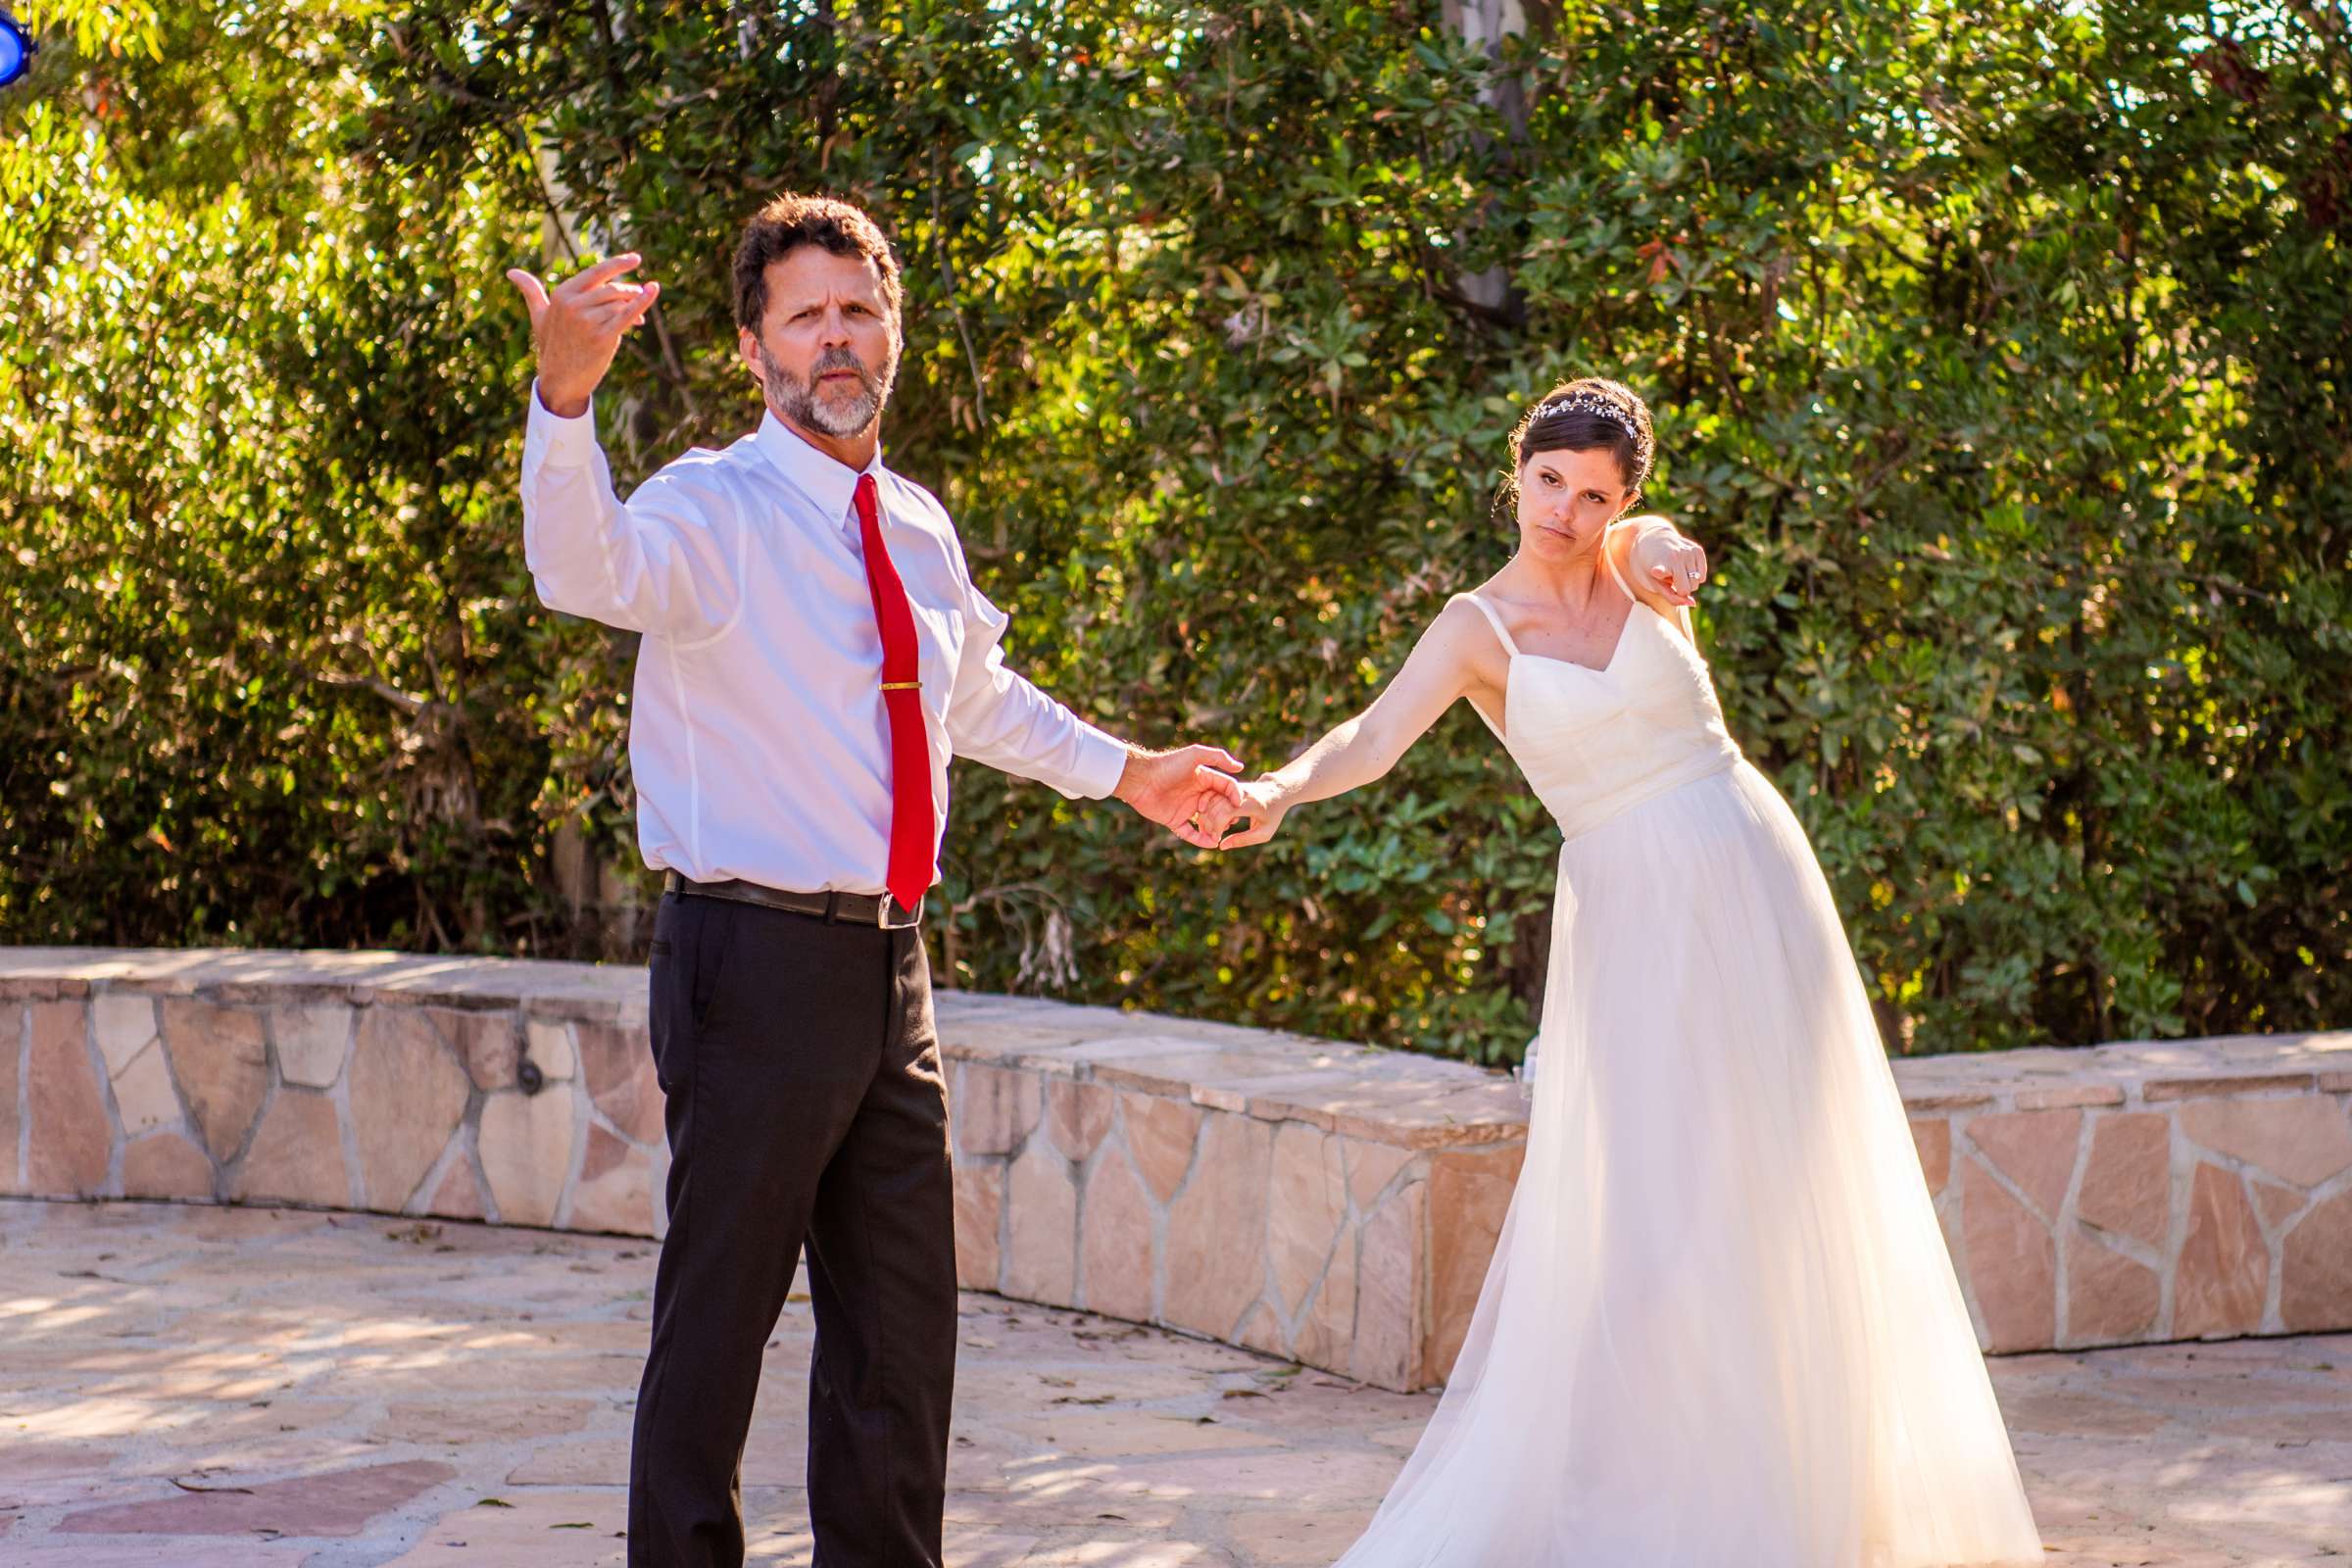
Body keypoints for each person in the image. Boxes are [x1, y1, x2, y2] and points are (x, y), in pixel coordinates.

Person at [504, 194, 1250, 1568]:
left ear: (892, 329)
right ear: (753, 347)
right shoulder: (710, 506)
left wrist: (1130, 771)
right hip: (747, 962)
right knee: (717, 1326)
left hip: (889, 971)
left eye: (857, 310)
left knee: (901, 1333)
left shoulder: (913, 522)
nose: (835, 339)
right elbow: (580, 568)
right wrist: (564, 405)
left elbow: (977, 698)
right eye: (806, 316)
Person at [1213, 378, 2044, 1564]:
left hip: (1751, 881)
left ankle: (1821, 1501)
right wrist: (1279, 790)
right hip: (1629, 914)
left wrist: (1668, 545)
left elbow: (1667, 545)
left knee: (1785, 1181)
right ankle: (1662, 1505)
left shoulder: (1642, 562)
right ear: (1517, 470)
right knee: (1658, 1208)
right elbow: (1372, 736)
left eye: (1594, 492)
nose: (1563, 510)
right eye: (1549, 480)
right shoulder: (1476, 627)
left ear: (1624, 501)